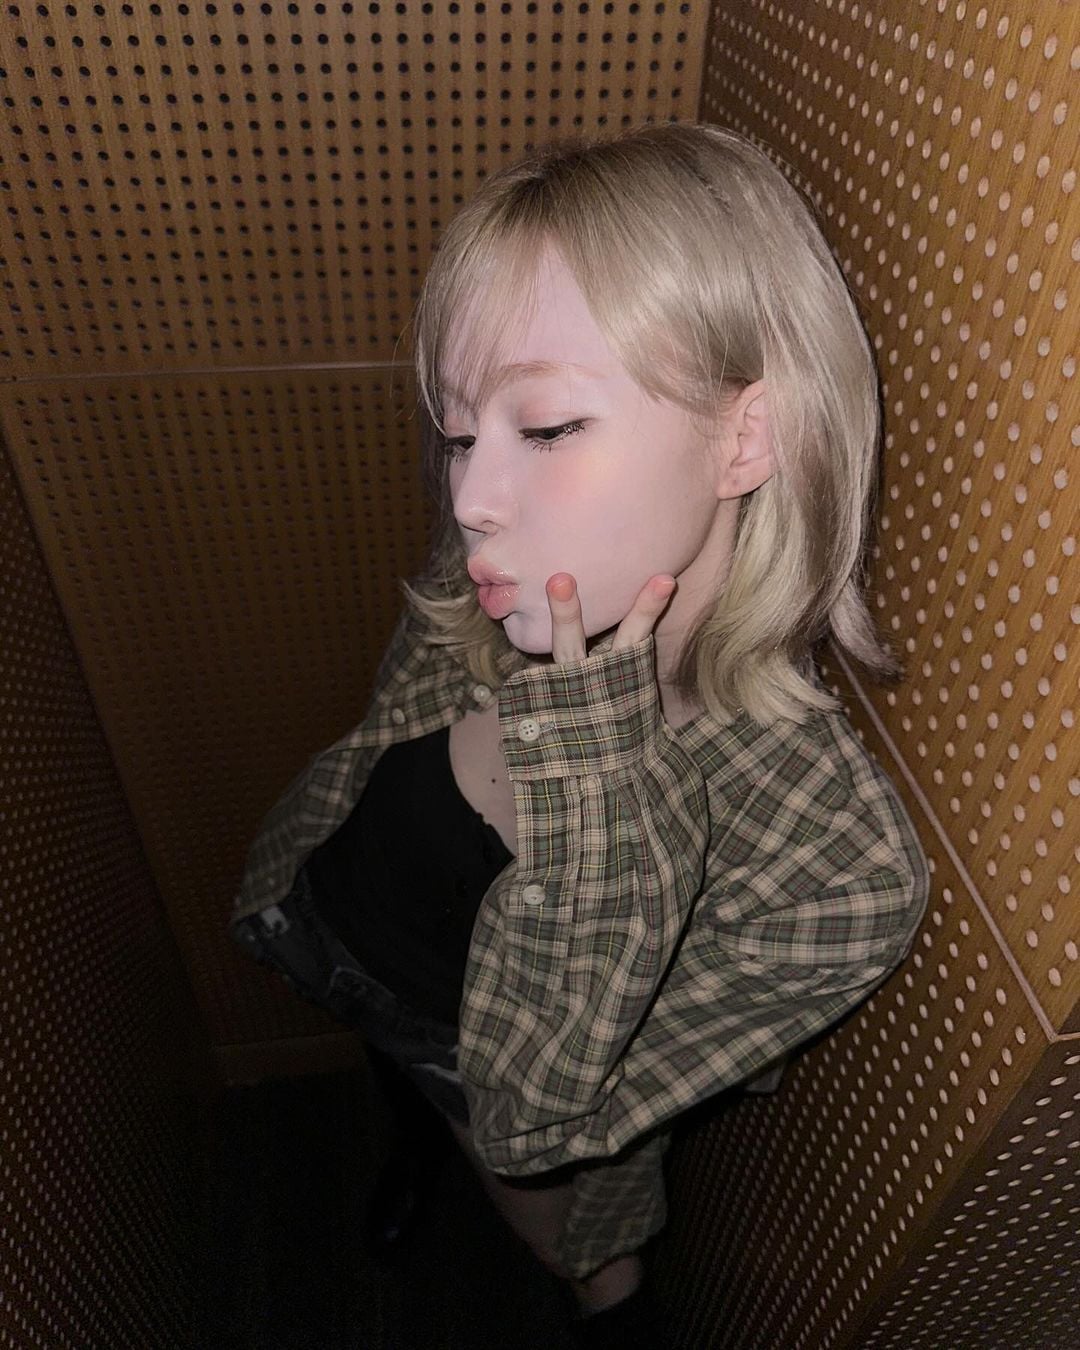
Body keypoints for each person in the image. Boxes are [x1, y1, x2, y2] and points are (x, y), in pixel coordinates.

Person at [231, 121, 930, 1347]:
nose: (469, 498)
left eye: (546, 429)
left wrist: (597, 775)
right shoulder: (504, 574)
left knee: (570, 1256)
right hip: (334, 919)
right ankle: (408, 1146)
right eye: (462, 434)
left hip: (491, 1066)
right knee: (400, 1081)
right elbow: (384, 737)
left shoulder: (836, 869)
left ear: (745, 437)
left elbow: (531, 1117)